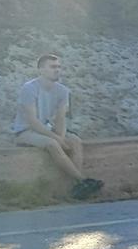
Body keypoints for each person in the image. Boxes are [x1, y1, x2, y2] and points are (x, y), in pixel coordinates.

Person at [12, 54, 102, 199]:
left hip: (46, 129)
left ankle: (77, 188)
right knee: (53, 143)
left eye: (59, 67)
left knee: (75, 141)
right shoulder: (29, 88)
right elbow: (32, 121)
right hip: (25, 131)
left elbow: (61, 118)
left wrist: (61, 137)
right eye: (53, 67)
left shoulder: (63, 91)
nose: (57, 70)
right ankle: (82, 180)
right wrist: (57, 139)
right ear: (41, 69)